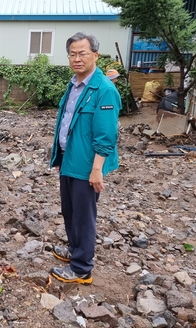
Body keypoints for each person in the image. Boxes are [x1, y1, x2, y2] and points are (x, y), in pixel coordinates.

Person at [49, 32, 121, 284]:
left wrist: (97, 169)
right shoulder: (75, 84)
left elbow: (106, 135)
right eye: (72, 54)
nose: (77, 59)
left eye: (82, 53)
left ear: (95, 55)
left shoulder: (104, 90)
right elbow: (66, 123)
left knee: (83, 215)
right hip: (70, 159)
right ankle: (75, 250)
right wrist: (59, 156)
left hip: (87, 164)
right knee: (70, 212)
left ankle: (81, 269)